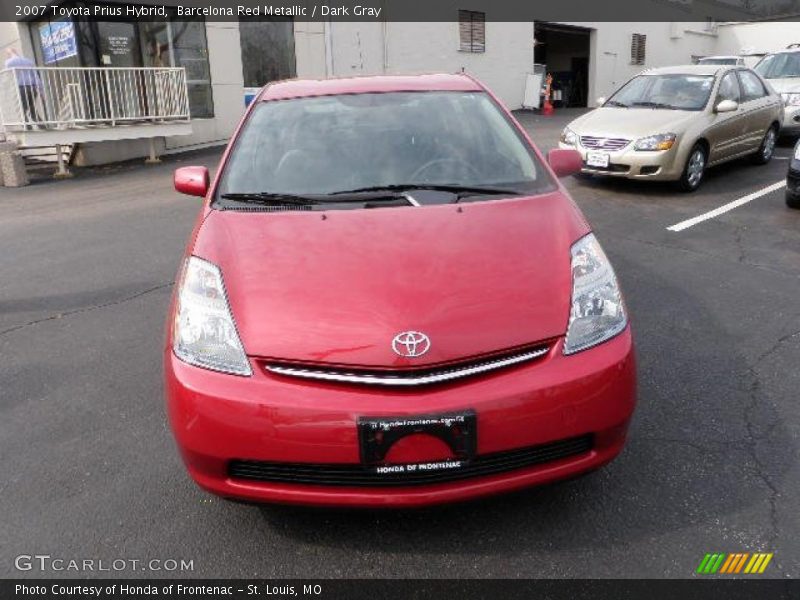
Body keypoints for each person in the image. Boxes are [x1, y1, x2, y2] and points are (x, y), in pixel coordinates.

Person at [4, 47, 43, 127]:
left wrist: (11, 55)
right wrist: (41, 91)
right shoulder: (29, 62)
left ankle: (27, 127)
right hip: (32, 88)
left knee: (22, 109)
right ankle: (42, 125)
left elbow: (7, 65)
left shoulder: (10, 62)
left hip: (22, 88)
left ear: (9, 54)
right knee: (31, 108)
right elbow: (36, 77)